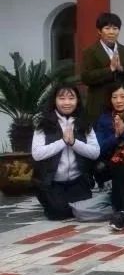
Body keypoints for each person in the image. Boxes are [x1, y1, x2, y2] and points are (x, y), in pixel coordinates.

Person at [32, 84, 100, 220]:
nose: (67, 102)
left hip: (77, 181)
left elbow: (95, 152)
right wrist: (63, 142)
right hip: (52, 182)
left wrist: (74, 143)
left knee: (83, 211)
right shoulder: (43, 122)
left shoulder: (84, 122)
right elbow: (37, 154)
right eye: (62, 98)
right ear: (55, 100)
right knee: (59, 213)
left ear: (77, 100)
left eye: (71, 98)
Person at [80, 12, 124, 123]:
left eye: (115, 28)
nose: (111, 32)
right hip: (99, 103)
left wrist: (122, 69)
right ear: (99, 31)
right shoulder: (90, 52)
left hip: (123, 102)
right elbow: (86, 77)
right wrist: (109, 69)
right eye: (107, 28)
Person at [94, 81, 124, 185]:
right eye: (114, 97)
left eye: (123, 97)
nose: (118, 101)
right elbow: (98, 148)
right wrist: (115, 136)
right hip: (108, 165)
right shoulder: (104, 119)